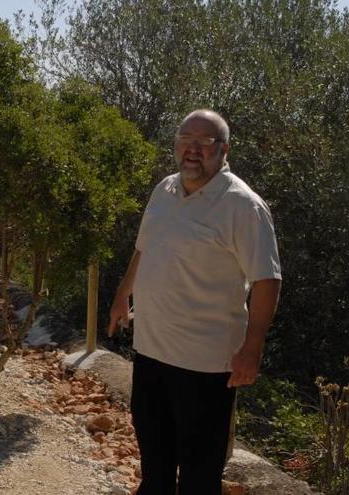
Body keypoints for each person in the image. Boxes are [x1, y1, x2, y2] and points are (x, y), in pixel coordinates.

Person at [107, 109, 281, 495]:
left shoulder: (243, 205)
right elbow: (144, 248)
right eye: (186, 140)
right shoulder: (164, 190)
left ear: (224, 150)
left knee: (200, 477)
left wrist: (252, 349)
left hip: (205, 366)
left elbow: (268, 280)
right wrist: (122, 295)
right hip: (150, 352)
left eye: (205, 142)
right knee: (155, 464)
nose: (193, 149)